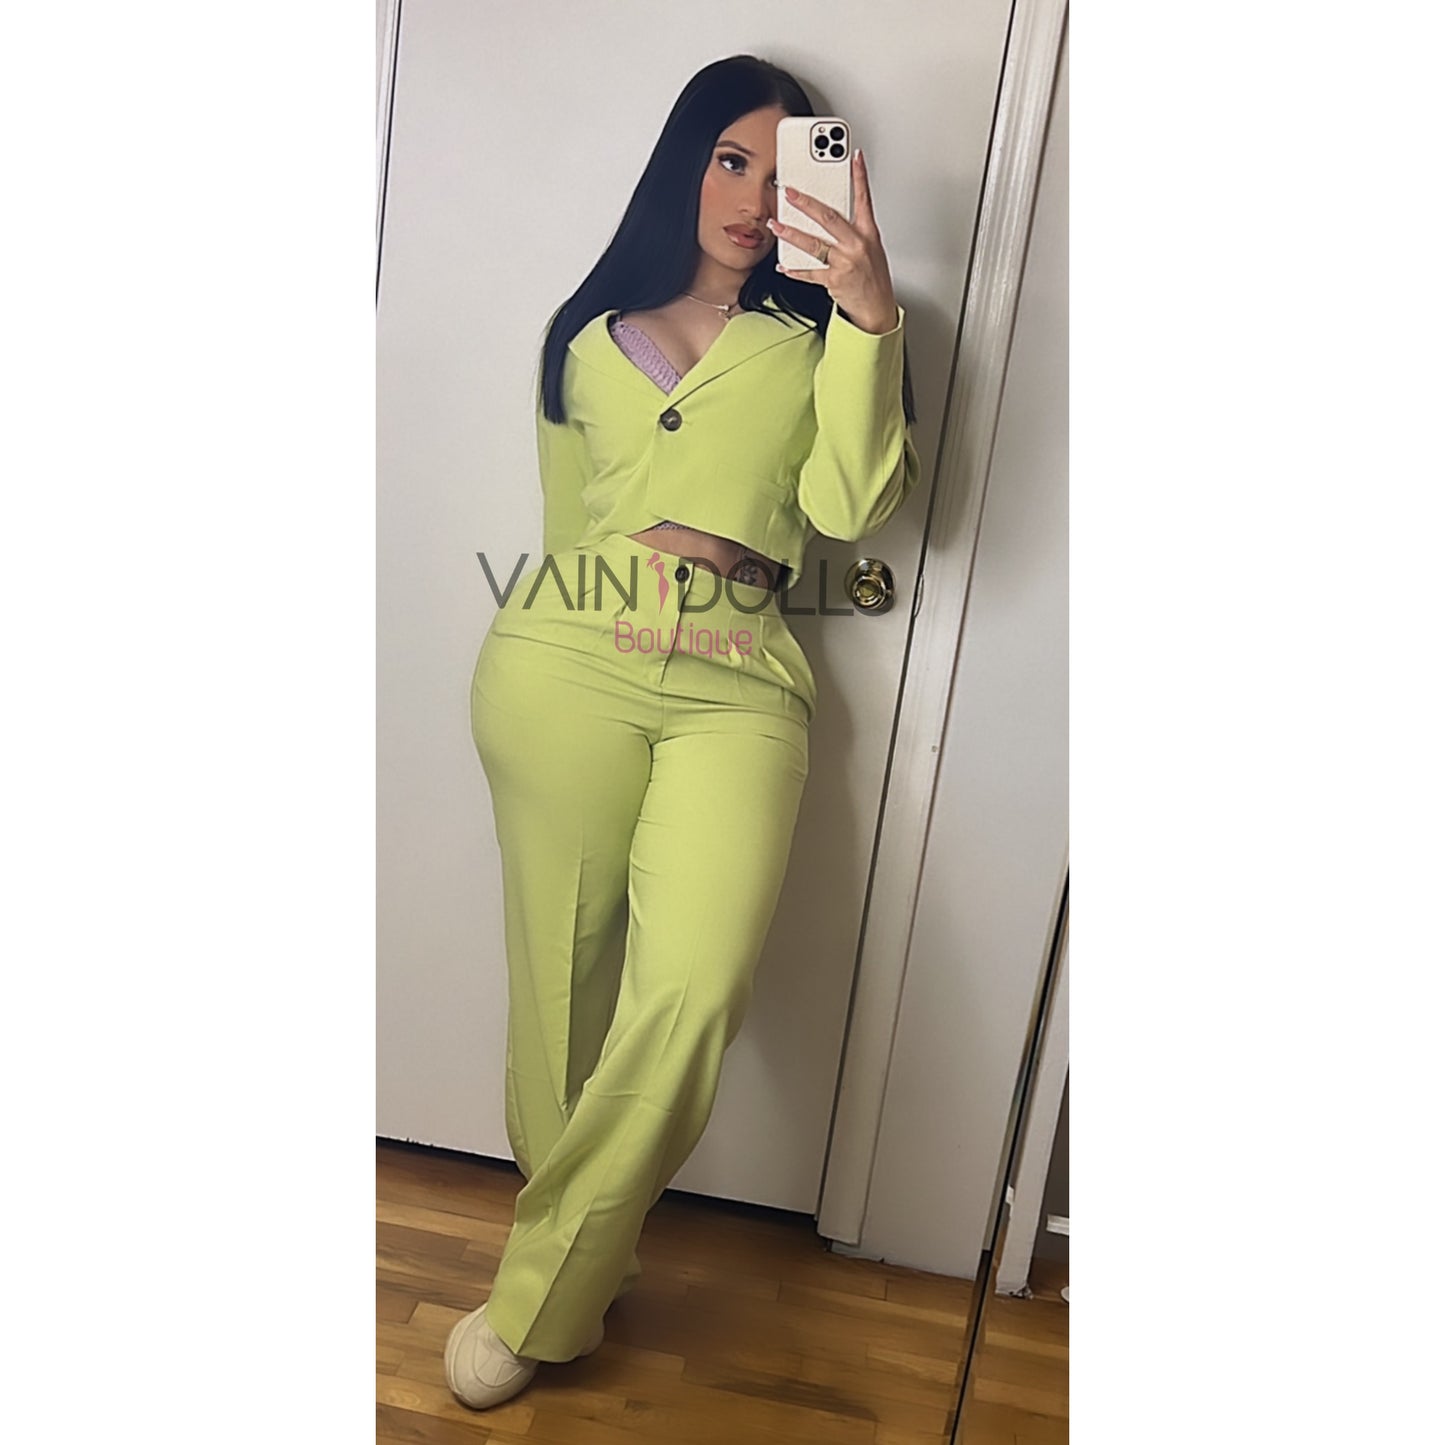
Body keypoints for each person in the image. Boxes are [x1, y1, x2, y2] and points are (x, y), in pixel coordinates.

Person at [446, 53, 922, 1411]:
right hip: (563, 657)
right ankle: (579, 1255)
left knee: (696, 984)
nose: (755, 198)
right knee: (559, 974)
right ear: (683, 165)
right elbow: (563, 527)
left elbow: (849, 506)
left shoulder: (823, 339)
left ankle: (541, 1289)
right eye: (730, 160)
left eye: (784, 173)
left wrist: (870, 314)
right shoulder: (584, 334)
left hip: (738, 673)